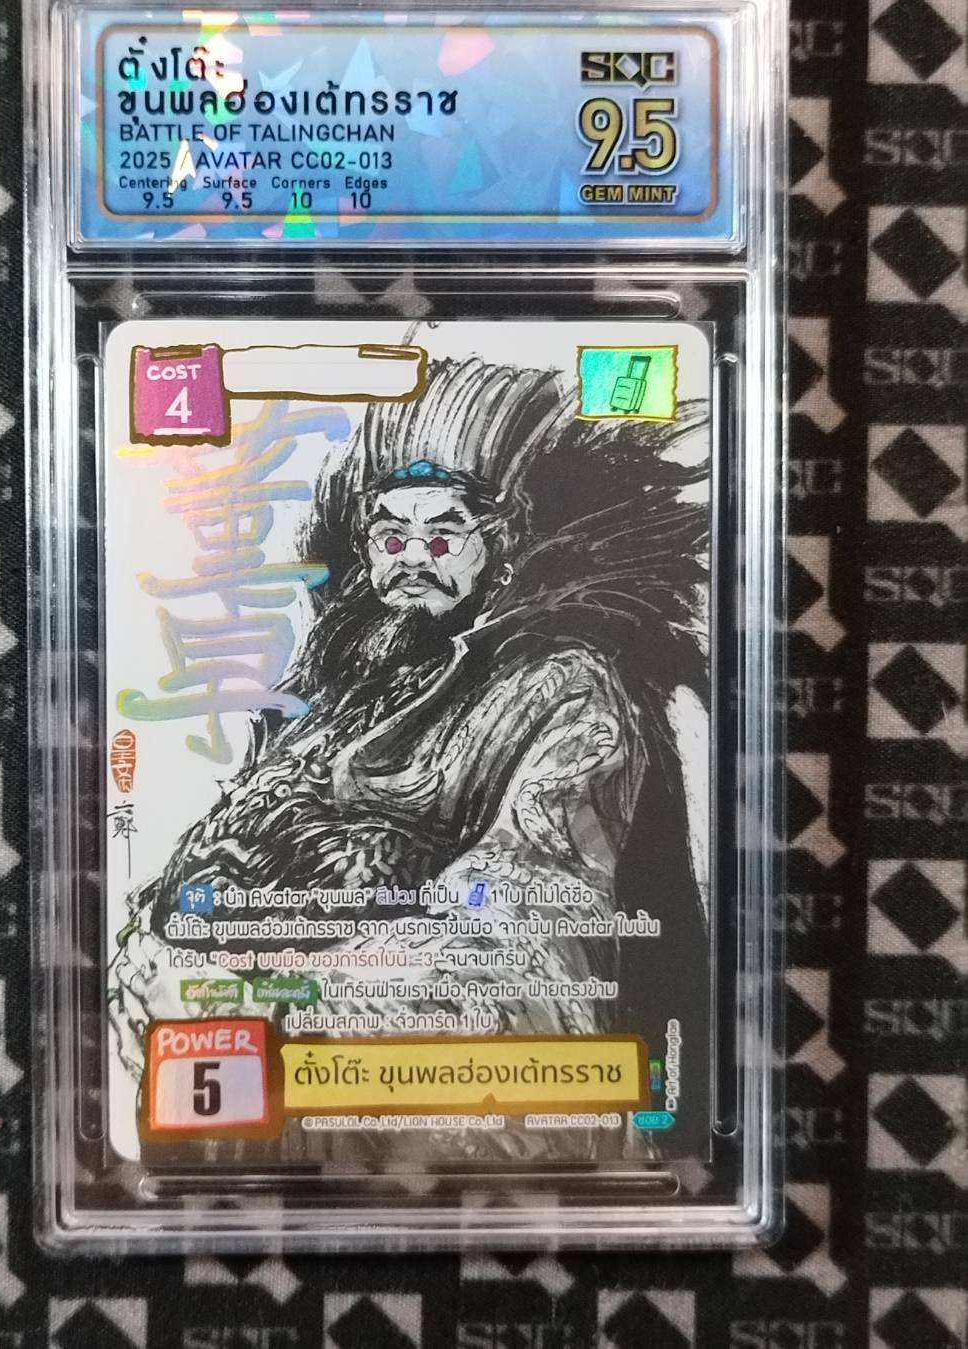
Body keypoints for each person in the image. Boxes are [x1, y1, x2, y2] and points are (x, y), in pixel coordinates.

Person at [111, 356, 710, 1158]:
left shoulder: (563, 689)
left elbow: (523, 933)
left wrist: (272, 1016)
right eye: (392, 536)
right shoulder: (338, 680)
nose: (413, 556)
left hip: (398, 1086)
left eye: (442, 535)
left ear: (499, 546)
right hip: (194, 1053)